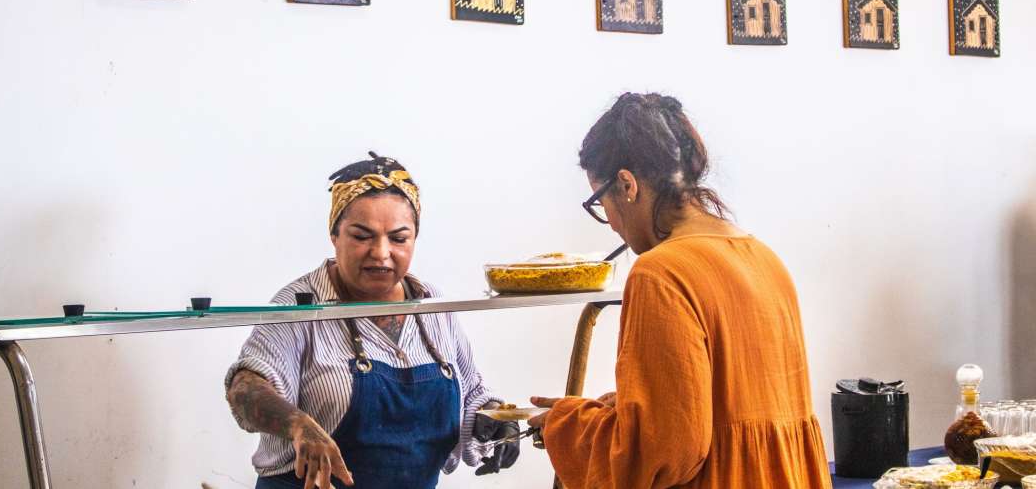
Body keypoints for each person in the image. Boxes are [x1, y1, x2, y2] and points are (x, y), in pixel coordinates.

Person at [528, 93, 831, 488]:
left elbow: (662, 452)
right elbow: (730, 407)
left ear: (627, 185)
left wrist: (569, 426)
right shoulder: (763, 258)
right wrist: (626, 408)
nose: (612, 224)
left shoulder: (660, 273)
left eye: (600, 203)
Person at [225, 152, 519, 489]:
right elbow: (245, 389)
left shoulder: (432, 305)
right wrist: (298, 425)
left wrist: (499, 419)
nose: (381, 253)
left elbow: (473, 392)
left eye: (398, 238)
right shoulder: (299, 305)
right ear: (335, 235)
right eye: (362, 236)